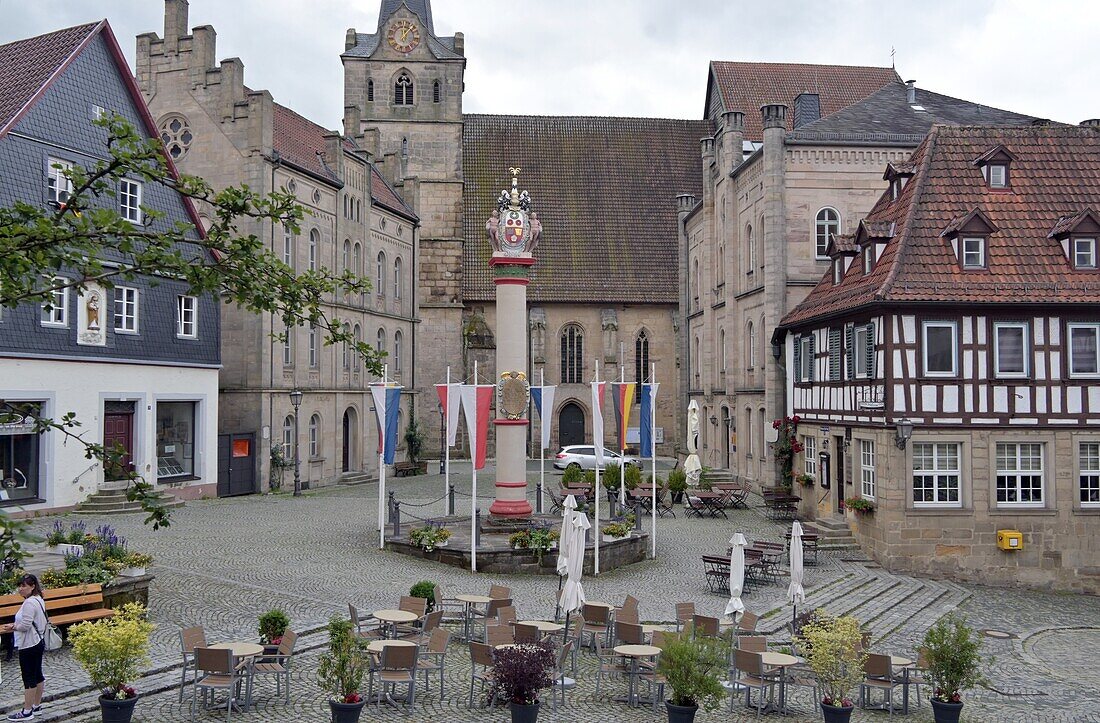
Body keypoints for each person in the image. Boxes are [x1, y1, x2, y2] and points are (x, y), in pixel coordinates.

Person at [1, 574, 47, 719]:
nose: (20, 589)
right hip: (38, 641)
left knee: (29, 678)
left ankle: (27, 711)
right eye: (19, 586)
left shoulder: (29, 603)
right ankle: (37, 705)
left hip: (29, 644)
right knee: (38, 675)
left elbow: (25, 625)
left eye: (24, 586)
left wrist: (12, 627)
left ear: (32, 586)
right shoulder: (38, 599)